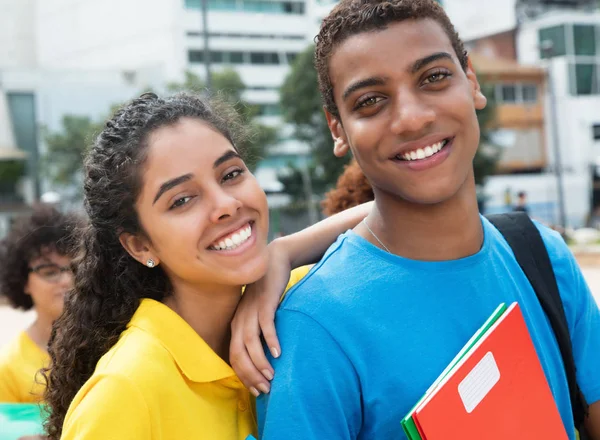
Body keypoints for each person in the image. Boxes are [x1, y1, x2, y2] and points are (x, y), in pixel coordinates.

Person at [253, 1, 600, 439]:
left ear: (470, 80)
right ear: (338, 129)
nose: (413, 117)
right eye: (371, 100)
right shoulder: (312, 329)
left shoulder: (544, 258)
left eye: (434, 77)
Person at [42, 92, 371, 440]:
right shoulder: (125, 391)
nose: (226, 204)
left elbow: (404, 215)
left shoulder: (294, 297)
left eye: (230, 174)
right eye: (182, 200)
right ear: (141, 245)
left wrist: (285, 252)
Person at [0, 204, 81, 403]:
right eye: (49, 272)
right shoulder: (8, 368)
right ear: (23, 282)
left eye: (75, 268)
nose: (66, 281)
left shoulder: (113, 342)